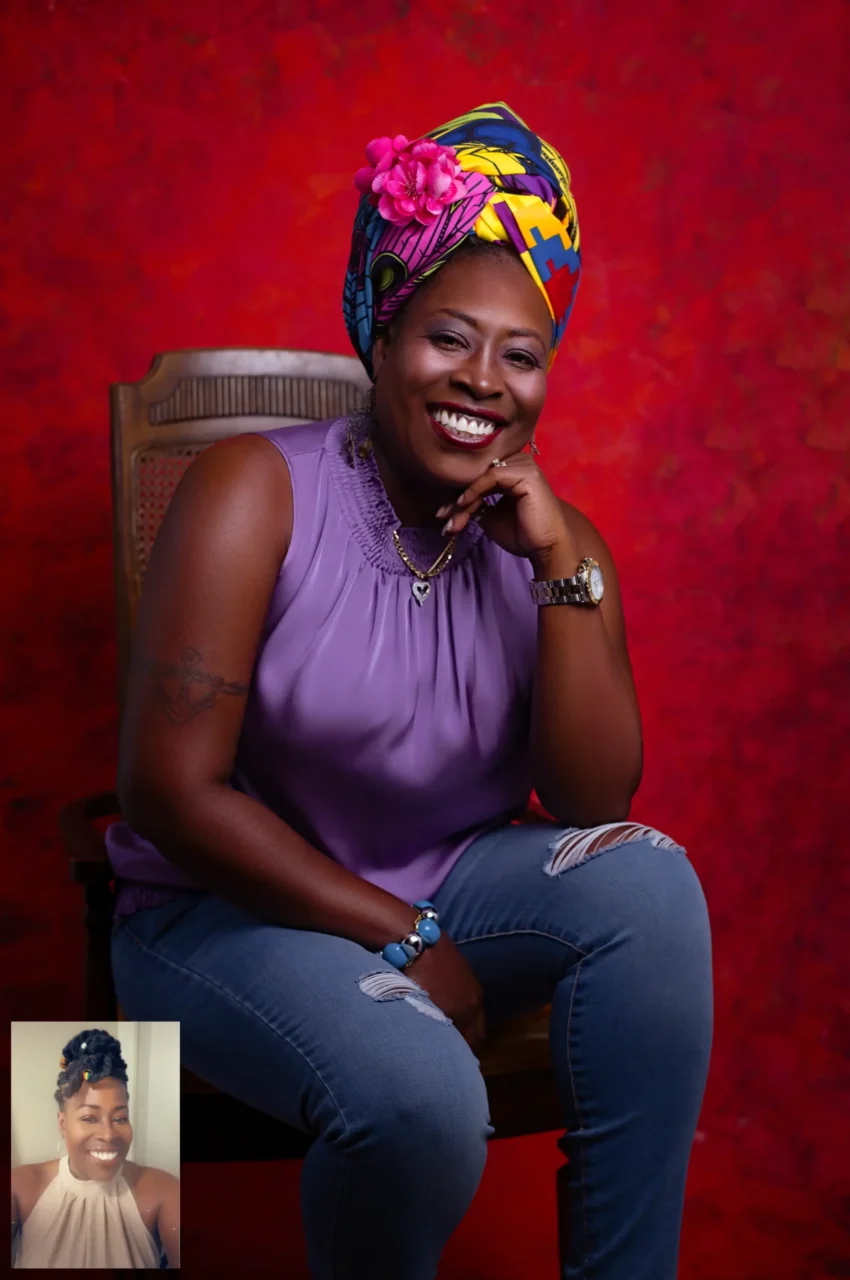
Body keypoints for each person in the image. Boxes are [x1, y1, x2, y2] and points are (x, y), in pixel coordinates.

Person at [107, 102, 712, 1279]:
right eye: (448, 337)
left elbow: (595, 801)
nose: (482, 381)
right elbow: (166, 791)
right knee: (423, 1093)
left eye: (521, 354)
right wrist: (403, 933)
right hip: (218, 913)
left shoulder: (557, 543)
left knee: (652, 880)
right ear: (380, 330)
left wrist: (557, 562)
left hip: (441, 882)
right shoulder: (248, 490)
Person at [11, 1028, 179, 1269]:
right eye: (89, 1118)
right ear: (63, 1124)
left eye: (120, 1118)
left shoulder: (164, 1191)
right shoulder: (21, 1187)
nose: (108, 1134)